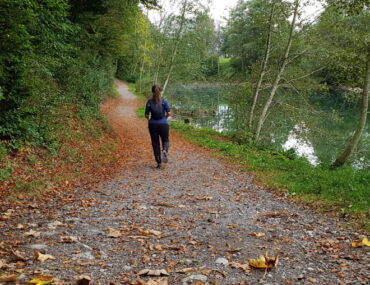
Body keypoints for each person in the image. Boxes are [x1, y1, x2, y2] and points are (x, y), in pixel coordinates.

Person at [145, 85, 171, 169]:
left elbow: (146, 115)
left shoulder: (149, 102)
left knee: (155, 143)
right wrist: (165, 118)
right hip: (163, 124)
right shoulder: (164, 101)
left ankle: (159, 163)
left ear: (152, 92)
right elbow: (169, 113)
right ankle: (164, 150)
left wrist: (149, 119)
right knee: (165, 140)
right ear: (160, 92)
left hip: (153, 124)